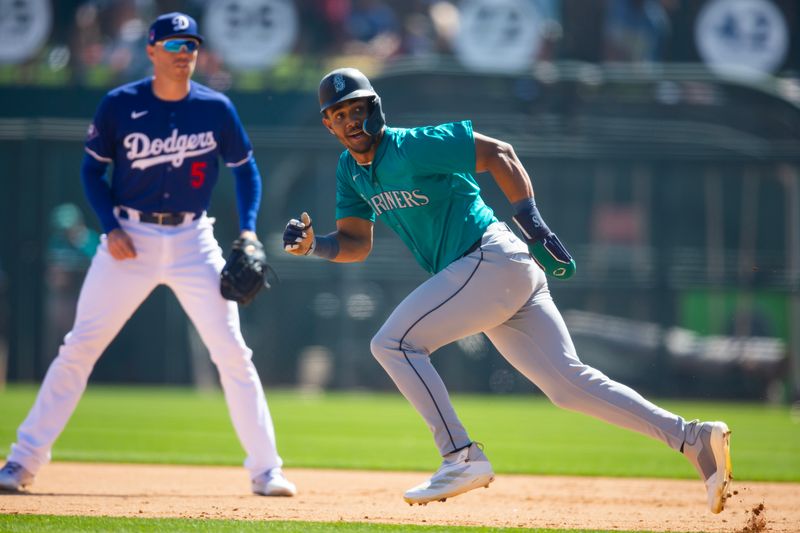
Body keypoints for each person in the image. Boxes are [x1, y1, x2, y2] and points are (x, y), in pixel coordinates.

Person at [282, 67, 732, 512]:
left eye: (357, 109)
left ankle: (460, 456)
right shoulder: (350, 170)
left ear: (374, 109)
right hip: (492, 274)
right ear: (327, 124)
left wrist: (535, 226)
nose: (350, 121)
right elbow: (355, 243)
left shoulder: (410, 146)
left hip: (488, 257)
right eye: (338, 114)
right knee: (568, 387)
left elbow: (499, 153)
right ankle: (693, 439)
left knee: (394, 344)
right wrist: (313, 246)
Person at [0, 13, 295, 498]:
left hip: (193, 240)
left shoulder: (215, 107)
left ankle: (267, 470)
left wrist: (246, 230)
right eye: (176, 44)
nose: (185, 53)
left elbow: (247, 171)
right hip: (129, 238)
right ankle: (22, 461)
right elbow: (92, 172)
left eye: (192, 45)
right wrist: (110, 225)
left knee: (233, 354)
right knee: (79, 348)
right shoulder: (121, 104)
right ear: (152, 50)